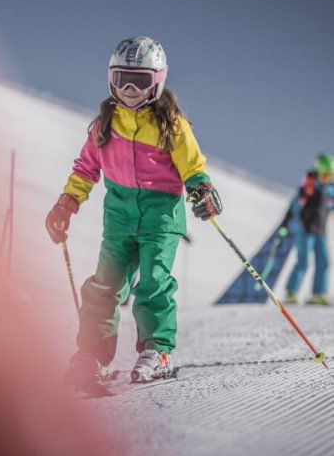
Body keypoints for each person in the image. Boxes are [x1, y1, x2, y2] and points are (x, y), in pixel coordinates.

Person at [45, 37, 222, 385]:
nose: (129, 88)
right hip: (120, 216)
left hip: (161, 216)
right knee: (104, 284)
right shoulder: (105, 125)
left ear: (156, 81)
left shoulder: (171, 124)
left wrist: (201, 189)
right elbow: (85, 168)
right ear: (111, 77)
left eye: (139, 81)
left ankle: (156, 349)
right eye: (123, 78)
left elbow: (192, 165)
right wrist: (68, 202)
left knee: (153, 282)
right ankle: (93, 354)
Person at [281, 153, 334, 305]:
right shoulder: (308, 187)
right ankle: (291, 293)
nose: (327, 178)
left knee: (324, 261)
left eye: (330, 175)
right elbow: (294, 207)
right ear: (318, 172)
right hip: (305, 230)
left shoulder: (329, 190)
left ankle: (318, 294)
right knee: (303, 262)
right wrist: (285, 225)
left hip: (321, 231)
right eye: (324, 175)